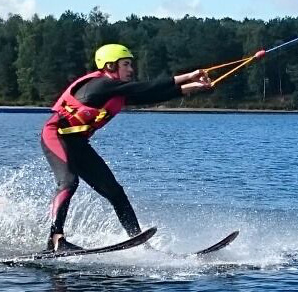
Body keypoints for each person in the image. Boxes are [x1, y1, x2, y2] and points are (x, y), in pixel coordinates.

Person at [40, 43, 212, 252]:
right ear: (111, 66)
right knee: (68, 182)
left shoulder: (116, 91)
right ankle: (55, 240)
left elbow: (151, 96)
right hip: (55, 136)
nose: (131, 69)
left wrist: (193, 88)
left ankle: (140, 242)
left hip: (78, 143)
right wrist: (189, 76)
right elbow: (145, 87)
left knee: (115, 192)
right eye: (126, 64)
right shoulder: (100, 85)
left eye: (131, 65)